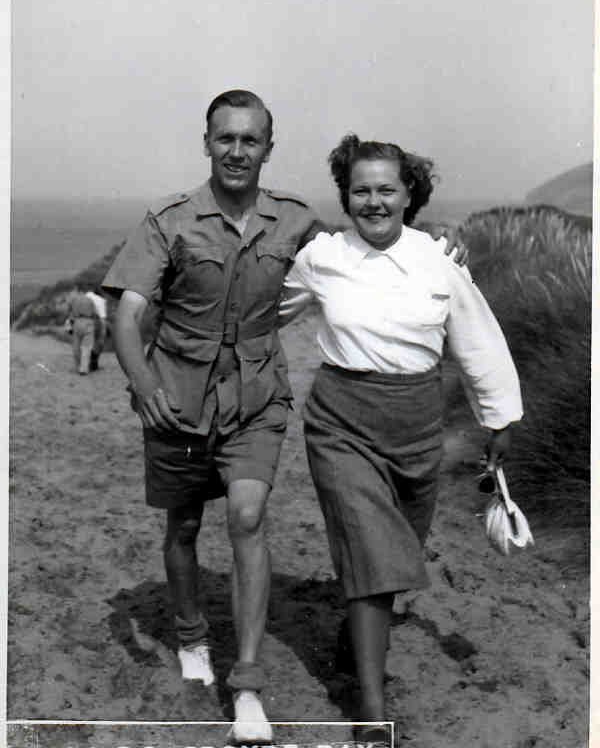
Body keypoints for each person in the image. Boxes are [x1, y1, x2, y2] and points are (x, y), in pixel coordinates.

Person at [102, 92, 466, 742]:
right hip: (178, 400)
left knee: (246, 516)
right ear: (207, 142)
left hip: (257, 400)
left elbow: (368, 247)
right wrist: (143, 381)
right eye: (225, 139)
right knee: (184, 527)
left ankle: (246, 687)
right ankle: (189, 631)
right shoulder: (169, 221)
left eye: (250, 140)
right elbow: (127, 313)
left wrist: (433, 248)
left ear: (268, 148)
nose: (237, 151)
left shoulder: (295, 221)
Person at [278, 134, 523, 733]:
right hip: (340, 422)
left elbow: (474, 340)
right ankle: (371, 711)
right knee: (374, 552)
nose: (373, 202)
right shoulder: (322, 257)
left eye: (386, 189)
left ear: (409, 193)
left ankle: (352, 635)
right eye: (360, 190)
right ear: (345, 196)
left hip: (417, 428)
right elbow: (262, 311)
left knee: (392, 556)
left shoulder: (439, 259)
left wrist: (498, 418)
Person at [65, 287, 100, 375]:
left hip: (77, 322)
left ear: (79, 291)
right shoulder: (89, 300)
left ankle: (78, 366)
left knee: (76, 345)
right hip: (88, 322)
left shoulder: (74, 300)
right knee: (86, 347)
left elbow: (69, 311)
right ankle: (83, 369)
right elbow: (95, 313)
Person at [85, 287, 108, 371]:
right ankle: (94, 362)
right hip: (95, 321)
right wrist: (104, 331)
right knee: (99, 342)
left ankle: (85, 364)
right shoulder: (101, 300)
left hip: (82, 321)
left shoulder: (86, 295)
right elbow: (102, 318)